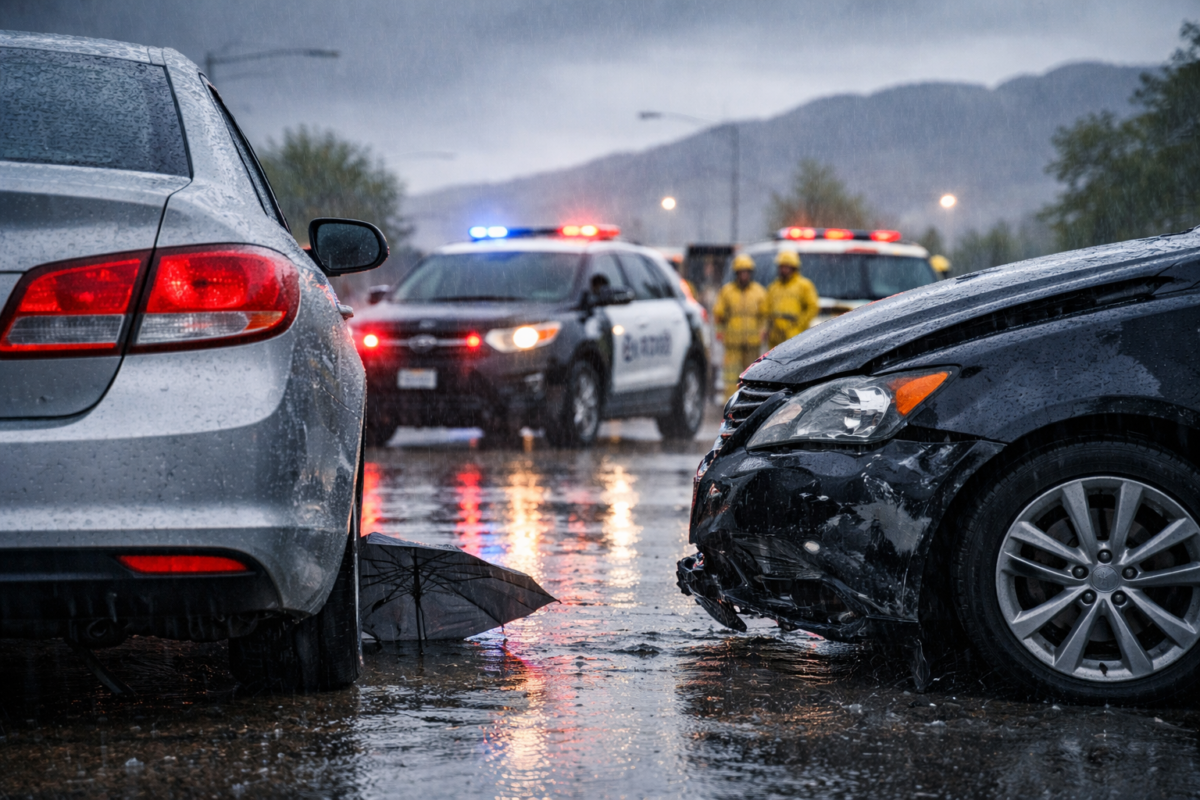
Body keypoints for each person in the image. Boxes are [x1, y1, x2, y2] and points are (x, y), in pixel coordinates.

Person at [713, 254, 768, 400]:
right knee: (731, 378)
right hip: (732, 344)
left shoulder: (759, 292)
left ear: (750, 273)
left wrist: (762, 331)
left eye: (746, 272)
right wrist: (719, 331)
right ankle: (730, 407)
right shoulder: (727, 291)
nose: (744, 275)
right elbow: (719, 314)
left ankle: (750, 404)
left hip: (752, 344)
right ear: (736, 273)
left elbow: (764, 316)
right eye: (741, 272)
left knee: (752, 377)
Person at [764, 248, 818, 349]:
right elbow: (766, 310)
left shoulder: (804, 285)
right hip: (775, 336)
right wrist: (768, 329)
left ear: (794, 268)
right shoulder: (773, 287)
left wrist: (799, 325)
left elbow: (812, 307)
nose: (783, 270)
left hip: (795, 334)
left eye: (786, 267)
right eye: (781, 267)